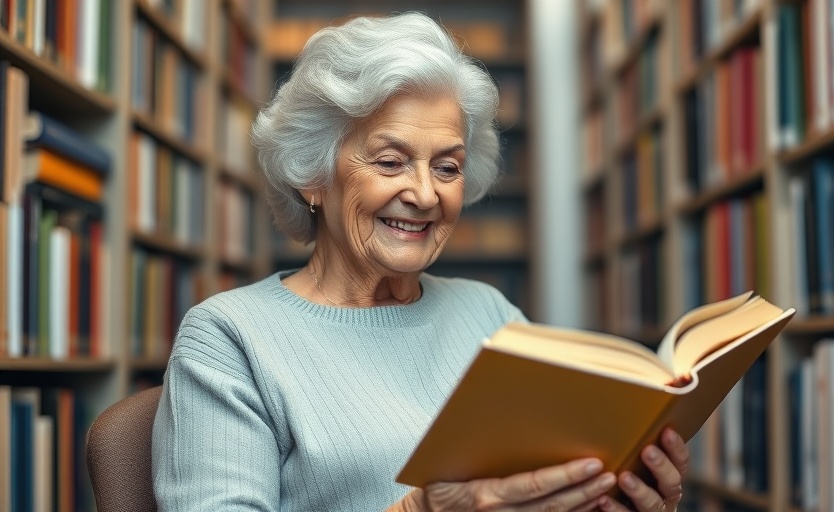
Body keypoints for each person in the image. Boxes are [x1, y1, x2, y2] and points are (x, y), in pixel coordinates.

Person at [151, 11, 689, 512]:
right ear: (312, 175)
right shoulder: (228, 337)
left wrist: (611, 492)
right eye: (390, 162)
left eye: (448, 168)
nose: (426, 194)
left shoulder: (490, 314)